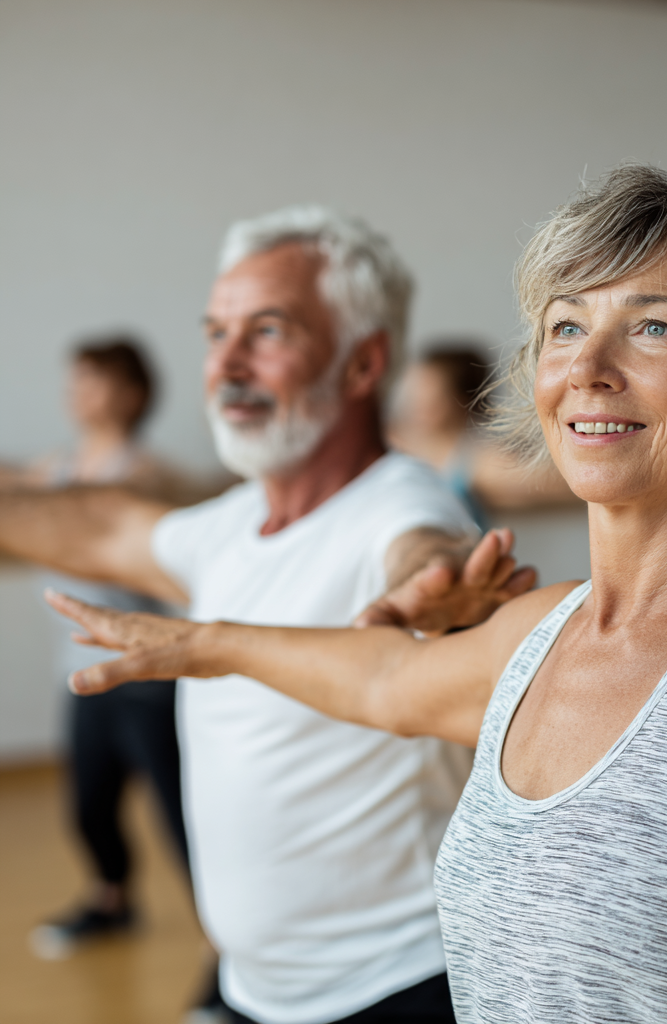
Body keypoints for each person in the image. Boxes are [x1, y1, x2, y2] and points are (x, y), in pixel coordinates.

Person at [50, 166, 667, 1024]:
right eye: (565, 327)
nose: (587, 370)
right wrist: (205, 643)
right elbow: (384, 680)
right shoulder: (535, 632)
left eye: (652, 327)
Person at [0, 206, 533, 1024]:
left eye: (268, 331)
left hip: (399, 987)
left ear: (363, 363)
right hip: (257, 988)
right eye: (216, 334)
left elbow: (423, 553)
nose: (227, 363)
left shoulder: (400, 504)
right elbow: (102, 524)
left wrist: (441, 593)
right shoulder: (231, 525)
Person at [0, 338, 190, 961]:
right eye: (74, 379)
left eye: (93, 380)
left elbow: (94, 510)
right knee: (89, 809)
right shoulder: (58, 467)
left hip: (143, 675)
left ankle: (224, 946)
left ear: (132, 393)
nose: (76, 391)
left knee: (179, 818)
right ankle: (112, 902)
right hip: (81, 673)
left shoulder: (145, 473)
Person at [388, 344, 578, 526]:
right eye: (416, 390)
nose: (419, 401)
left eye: (431, 392)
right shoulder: (397, 441)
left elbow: (567, 485)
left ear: (462, 398)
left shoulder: (483, 466)